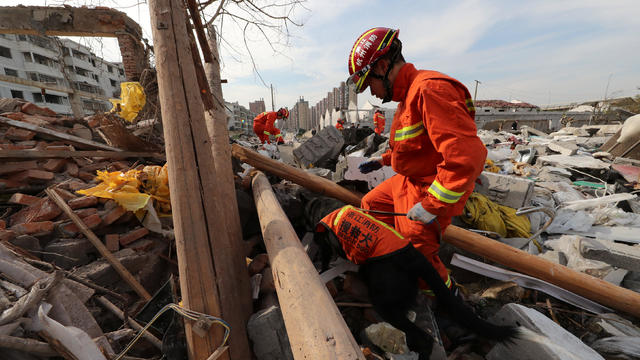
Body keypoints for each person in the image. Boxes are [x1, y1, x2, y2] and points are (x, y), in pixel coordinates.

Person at [346, 27, 487, 293]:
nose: (371, 92)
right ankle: (392, 259)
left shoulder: (430, 90)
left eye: (370, 83)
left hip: (432, 187)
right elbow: (416, 148)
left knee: (418, 253)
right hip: (411, 180)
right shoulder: (406, 98)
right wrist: (383, 161)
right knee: (372, 204)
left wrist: (431, 206)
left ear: (384, 66)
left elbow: (467, 159)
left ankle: (447, 299)